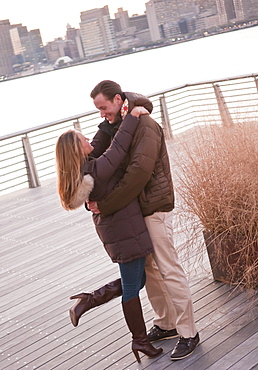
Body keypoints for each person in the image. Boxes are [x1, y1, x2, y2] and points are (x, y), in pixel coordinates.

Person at [85, 80, 200, 361]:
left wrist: (106, 205)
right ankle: (166, 323)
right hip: (135, 209)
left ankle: (189, 332)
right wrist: (109, 123)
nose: (101, 114)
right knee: (150, 270)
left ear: (116, 99)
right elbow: (97, 157)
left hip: (154, 207)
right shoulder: (120, 123)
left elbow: (138, 174)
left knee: (168, 267)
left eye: (103, 108)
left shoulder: (145, 125)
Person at [55, 105, 163, 363]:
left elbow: (101, 142)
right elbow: (118, 150)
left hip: (118, 231)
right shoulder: (95, 169)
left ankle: (88, 301)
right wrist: (132, 118)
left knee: (136, 282)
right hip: (124, 232)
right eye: (83, 140)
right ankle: (140, 341)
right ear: (78, 149)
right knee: (132, 288)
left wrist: (108, 121)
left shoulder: (85, 169)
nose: (88, 140)